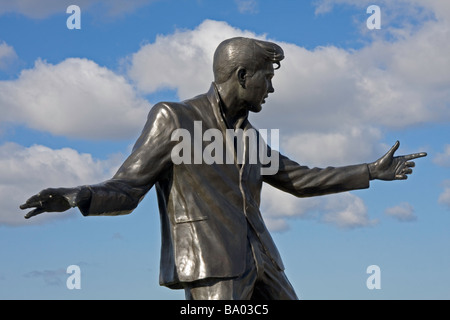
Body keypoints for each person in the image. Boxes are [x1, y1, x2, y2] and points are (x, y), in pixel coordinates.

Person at [20, 37, 426, 300]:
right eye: (266, 79)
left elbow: (299, 179)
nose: (272, 88)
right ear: (242, 76)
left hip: (264, 263)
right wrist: (80, 196)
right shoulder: (175, 119)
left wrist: (370, 172)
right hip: (211, 267)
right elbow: (128, 188)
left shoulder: (249, 136)